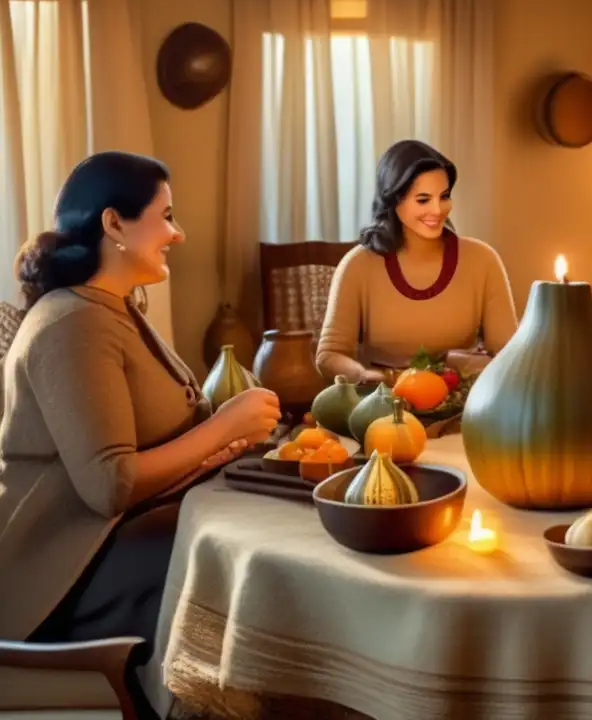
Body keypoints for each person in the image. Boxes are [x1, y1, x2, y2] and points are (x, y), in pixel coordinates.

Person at [0, 152, 281, 655]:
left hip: (115, 542)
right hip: (63, 579)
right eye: (167, 216)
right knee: (250, 558)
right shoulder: (72, 323)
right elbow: (111, 486)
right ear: (114, 223)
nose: (179, 233)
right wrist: (223, 427)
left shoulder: (115, 304)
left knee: (264, 529)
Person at [317, 140, 517, 382]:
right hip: (383, 405)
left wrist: (465, 367)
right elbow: (329, 355)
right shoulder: (358, 265)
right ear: (394, 200)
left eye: (444, 197)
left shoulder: (483, 260)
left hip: (462, 404)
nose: (437, 210)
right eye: (423, 199)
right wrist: (368, 377)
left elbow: (509, 356)